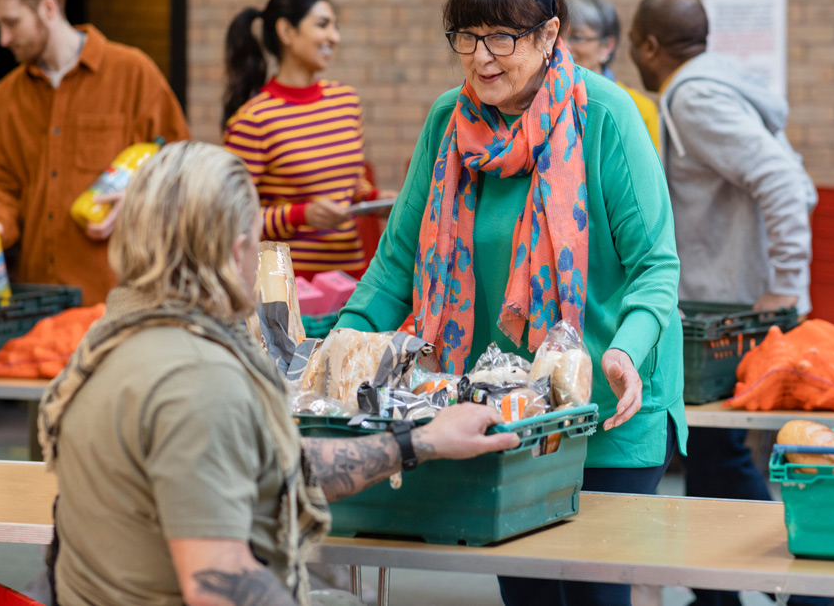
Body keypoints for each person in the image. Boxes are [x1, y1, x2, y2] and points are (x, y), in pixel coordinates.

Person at [335, 0, 685, 605]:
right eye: (466, 37)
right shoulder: (447, 123)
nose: (481, 57)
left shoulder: (606, 117)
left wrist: (625, 351)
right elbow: (396, 262)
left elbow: (657, 265)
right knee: (523, 595)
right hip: (502, 413)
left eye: (503, 38)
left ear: (551, 35)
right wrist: (343, 340)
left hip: (605, 412)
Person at [39, 140, 518, 606]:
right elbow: (218, 582)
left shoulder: (115, 339)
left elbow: (267, 464)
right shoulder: (197, 378)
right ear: (234, 251)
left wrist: (421, 442)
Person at [629, 0, 832, 606]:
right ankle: (721, 593)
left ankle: (806, 596)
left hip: (732, 312)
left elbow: (782, 180)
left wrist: (784, 288)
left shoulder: (693, 97)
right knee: (712, 450)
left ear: (647, 46)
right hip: (725, 304)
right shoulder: (718, 84)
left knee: (713, 447)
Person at [0, 0, 190, 305]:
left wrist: (138, 200)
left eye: (11, 23)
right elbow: (0, 183)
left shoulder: (133, 72)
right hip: (34, 299)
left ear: (48, 8)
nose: (3, 39)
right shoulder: (8, 94)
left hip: (117, 301)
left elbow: (185, 169)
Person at [222, 0, 394, 281]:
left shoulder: (346, 101)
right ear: (286, 31)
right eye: (322, 25)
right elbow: (230, 218)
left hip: (351, 280)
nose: (334, 37)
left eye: (335, 27)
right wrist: (300, 215)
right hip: (286, 289)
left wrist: (376, 200)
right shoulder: (253, 120)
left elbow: (350, 187)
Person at [564, 0, 659, 153]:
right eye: (557, 36)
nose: (564, 47)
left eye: (576, 38)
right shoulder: (540, 101)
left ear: (607, 46)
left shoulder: (639, 108)